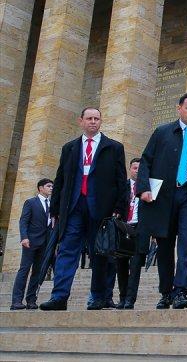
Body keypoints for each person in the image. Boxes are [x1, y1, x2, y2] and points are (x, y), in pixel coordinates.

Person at [136, 92, 187, 310]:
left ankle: (181, 291)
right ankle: (166, 292)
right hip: (164, 196)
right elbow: (146, 160)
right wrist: (143, 188)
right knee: (164, 245)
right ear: (179, 108)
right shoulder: (162, 132)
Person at [40, 108, 128, 311]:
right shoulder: (69, 148)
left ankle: (98, 297)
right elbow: (60, 179)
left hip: (101, 209)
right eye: (89, 119)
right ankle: (59, 297)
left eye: (97, 119)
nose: (93, 122)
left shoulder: (114, 147)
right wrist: (55, 210)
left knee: (100, 253)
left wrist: (119, 209)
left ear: (101, 122)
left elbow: (120, 181)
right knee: (67, 251)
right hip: (73, 208)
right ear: (81, 121)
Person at [11, 179, 54, 310]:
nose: (51, 188)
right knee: (24, 270)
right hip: (30, 241)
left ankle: (31, 300)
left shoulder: (52, 204)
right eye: (49, 186)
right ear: (40, 188)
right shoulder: (31, 202)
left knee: (38, 272)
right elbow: (23, 221)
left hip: (45, 242)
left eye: (52, 186)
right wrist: (24, 237)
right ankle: (16, 301)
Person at [115, 158, 150, 309]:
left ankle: (130, 299)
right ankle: (122, 297)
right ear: (130, 169)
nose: (137, 170)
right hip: (123, 227)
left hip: (139, 228)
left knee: (135, 266)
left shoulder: (149, 187)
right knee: (121, 264)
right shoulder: (122, 185)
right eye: (135, 168)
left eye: (140, 168)